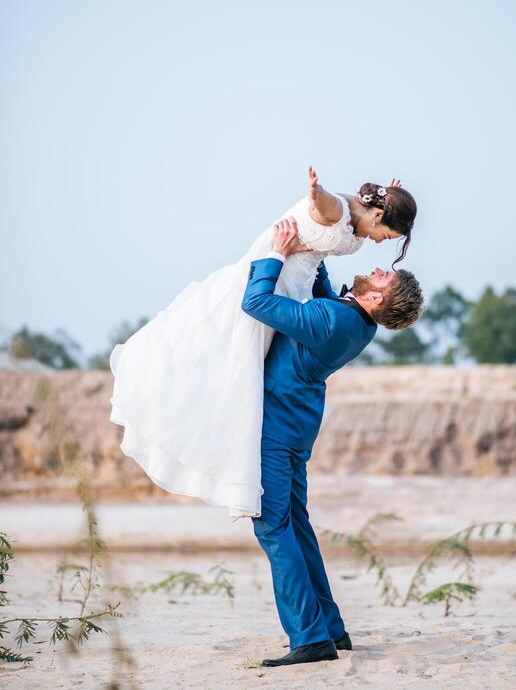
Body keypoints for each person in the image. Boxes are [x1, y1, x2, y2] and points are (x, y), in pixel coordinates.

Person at [110, 168, 417, 518]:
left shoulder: (339, 316)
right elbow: (327, 216)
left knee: (237, 369)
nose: (379, 243)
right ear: (377, 213)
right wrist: (314, 205)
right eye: (385, 234)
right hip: (276, 278)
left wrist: (291, 251)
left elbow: (279, 297)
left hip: (279, 278)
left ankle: (228, 461)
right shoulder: (354, 318)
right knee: (226, 355)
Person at [242, 215, 424, 666]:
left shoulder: (334, 321)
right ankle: (331, 629)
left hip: (279, 429)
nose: (379, 268)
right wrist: (317, 251)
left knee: (272, 526)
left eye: (385, 274)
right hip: (296, 426)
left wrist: (276, 256)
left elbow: (256, 302)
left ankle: (309, 638)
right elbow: (326, 297)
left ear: (378, 296)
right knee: (295, 525)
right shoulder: (354, 321)